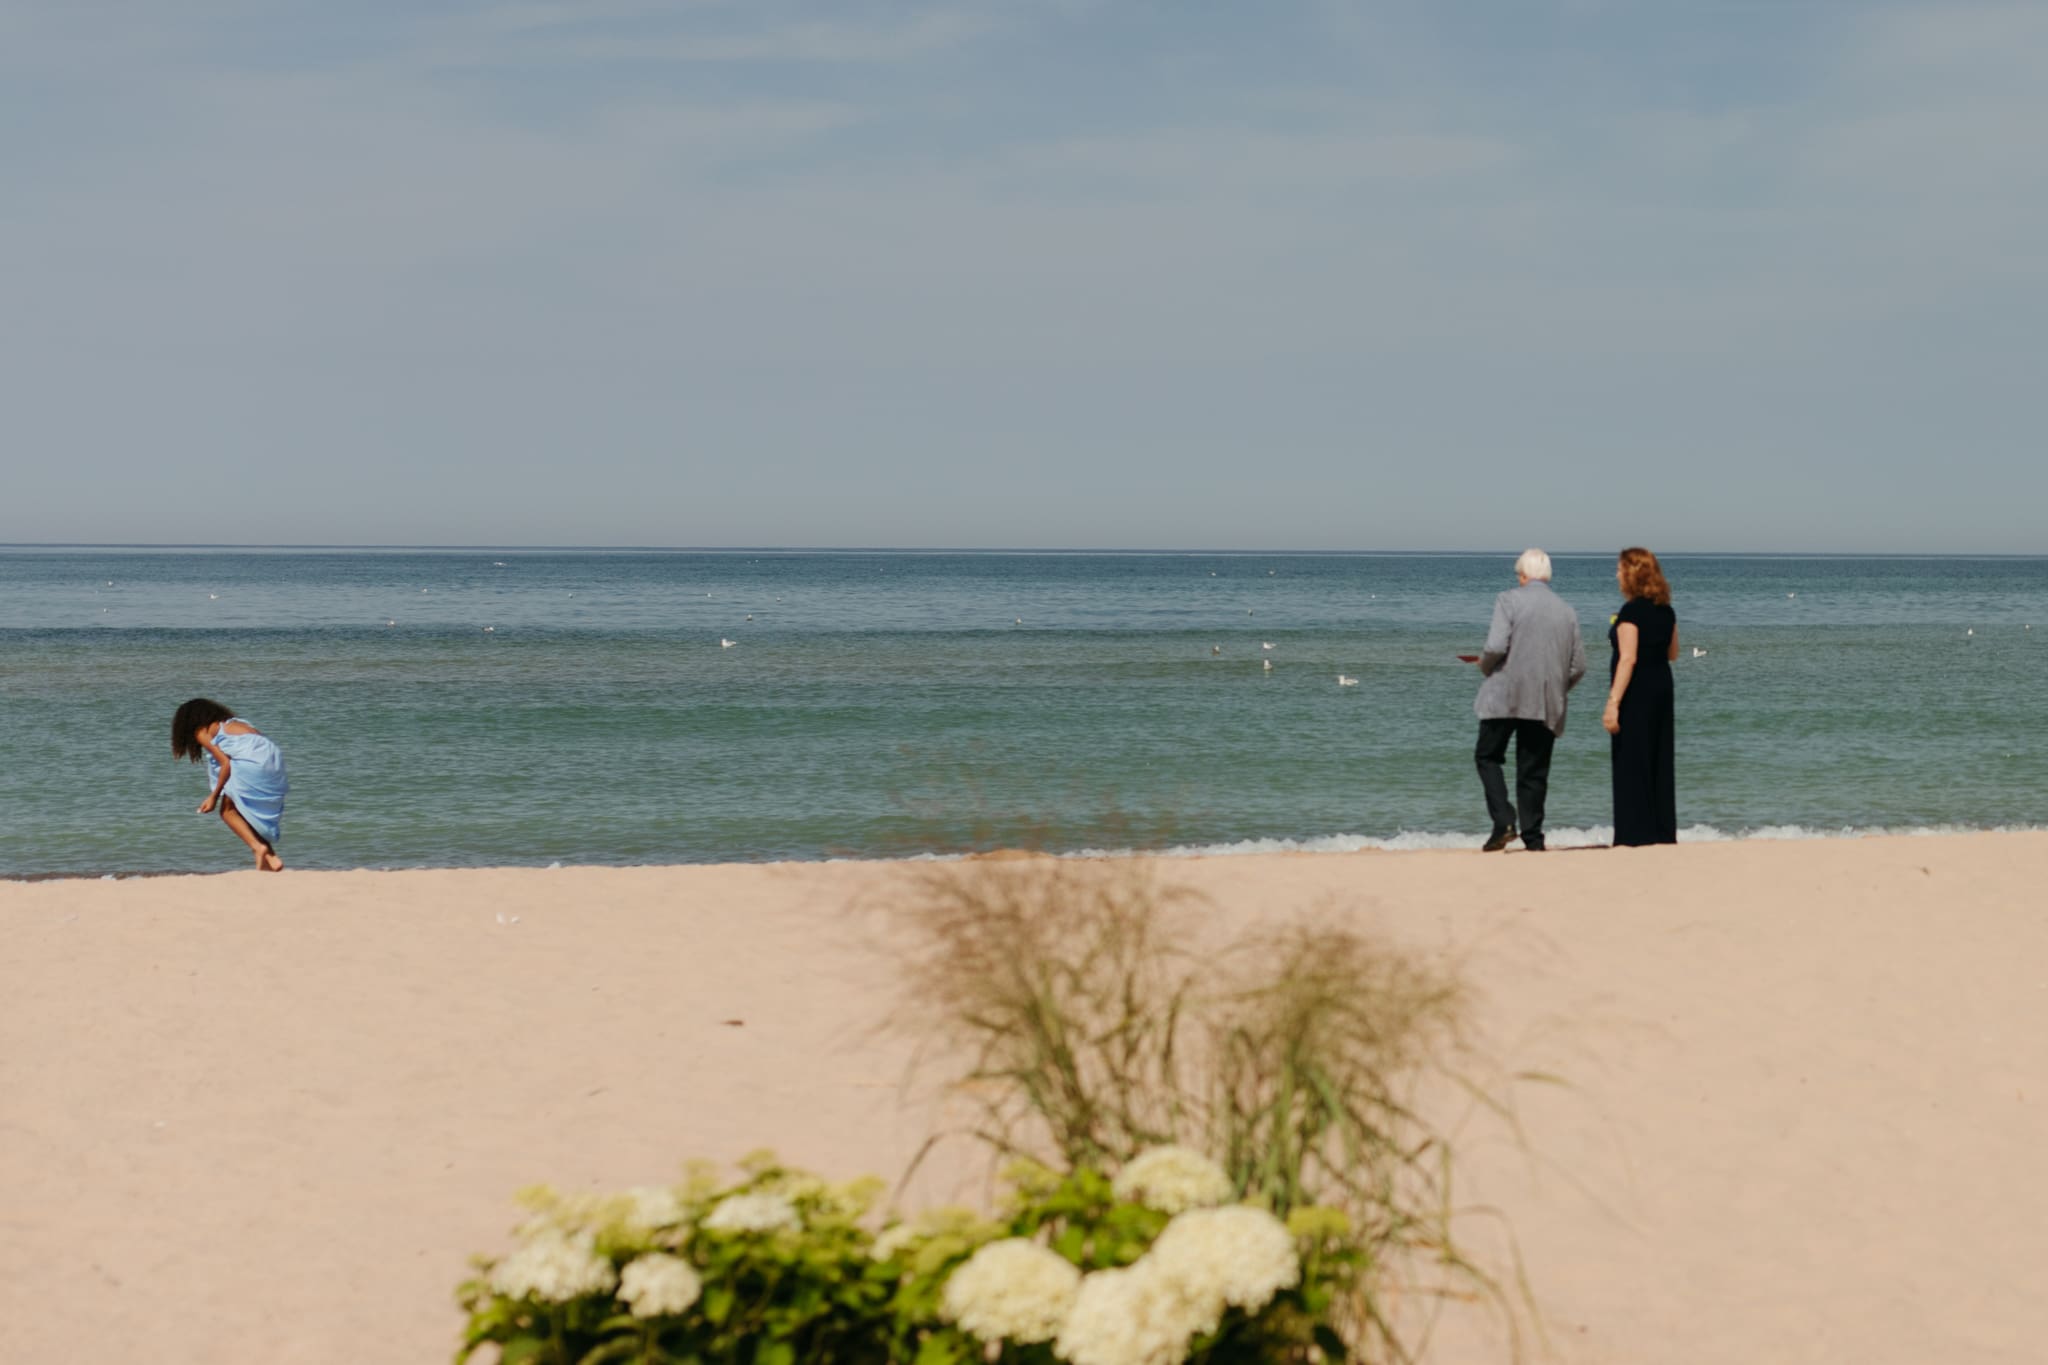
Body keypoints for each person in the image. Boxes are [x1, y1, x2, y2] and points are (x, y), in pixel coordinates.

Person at [1472, 549, 1587, 852]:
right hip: (1545, 698)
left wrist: (1484, 665)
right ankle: (1533, 838)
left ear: (1523, 575)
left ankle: (1504, 821)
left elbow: (1496, 645)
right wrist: (1559, 687)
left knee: (1487, 756)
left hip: (1505, 693)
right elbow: (1578, 666)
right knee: (1533, 771)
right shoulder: (1566, 611)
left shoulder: (1508, 600)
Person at [1601, 547, 1679, 846]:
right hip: (1661, 686)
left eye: (1620, 569)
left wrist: (1613, 702)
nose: (1617, 575)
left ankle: (1635, 832)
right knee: (1659, 757)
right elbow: (1673, 653)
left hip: (1636, 691)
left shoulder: (1631, 612)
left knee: (1631, 759)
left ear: (1633, 574)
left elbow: (1627, 658)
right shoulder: (1667, 611)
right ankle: (1661, 829)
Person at [171, 698, 288, 872]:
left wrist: (213, 796)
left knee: (227, 811)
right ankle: (271, 859)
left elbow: (225, 763)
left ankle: (259, 848)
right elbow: (257, 743)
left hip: (251, 763)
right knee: (243, 813)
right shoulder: (235, 723)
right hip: (273, 761)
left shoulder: (201, 731)